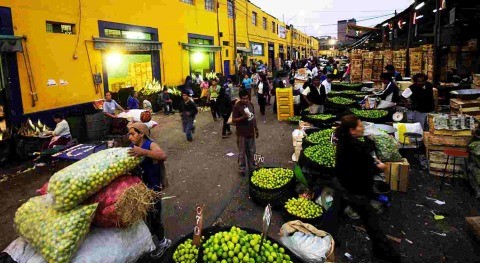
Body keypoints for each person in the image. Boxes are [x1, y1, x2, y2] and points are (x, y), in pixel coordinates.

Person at [335, 115, 400, 262]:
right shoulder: (354, 147)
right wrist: (380, 167)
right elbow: (364, 168)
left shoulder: (345, 142)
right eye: (359, 126)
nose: (362, 127)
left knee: (336, 212)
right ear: (352, 130)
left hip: (344, 184)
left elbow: (360, 162)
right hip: (355, 188)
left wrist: (372, 162)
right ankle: (386, 252)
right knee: (371, 222)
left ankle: (329, 236)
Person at [127, 122, 171, 259]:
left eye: (133, 134)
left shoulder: (149, 144)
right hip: (141, 188)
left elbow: (162, 155)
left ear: (141, 134)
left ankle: (164, 242)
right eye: (129, 134)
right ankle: (152, 237)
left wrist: (143, 152)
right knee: (146, 216)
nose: (130, 137)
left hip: (152, 188)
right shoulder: (134, 146)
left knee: (155, 216)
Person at [232, 89, 259, 177]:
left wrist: (256, 129)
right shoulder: (237, 106)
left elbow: (253, 118)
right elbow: (234, 120)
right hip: (241, 133)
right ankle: (242, 169)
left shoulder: (250, 104)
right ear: (240, 98)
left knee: (252, 151)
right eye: (243, 99)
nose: (245, 100)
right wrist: (243, 117)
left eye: (247, 98)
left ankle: (253, 167)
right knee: (242, 153)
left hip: (250, 132)